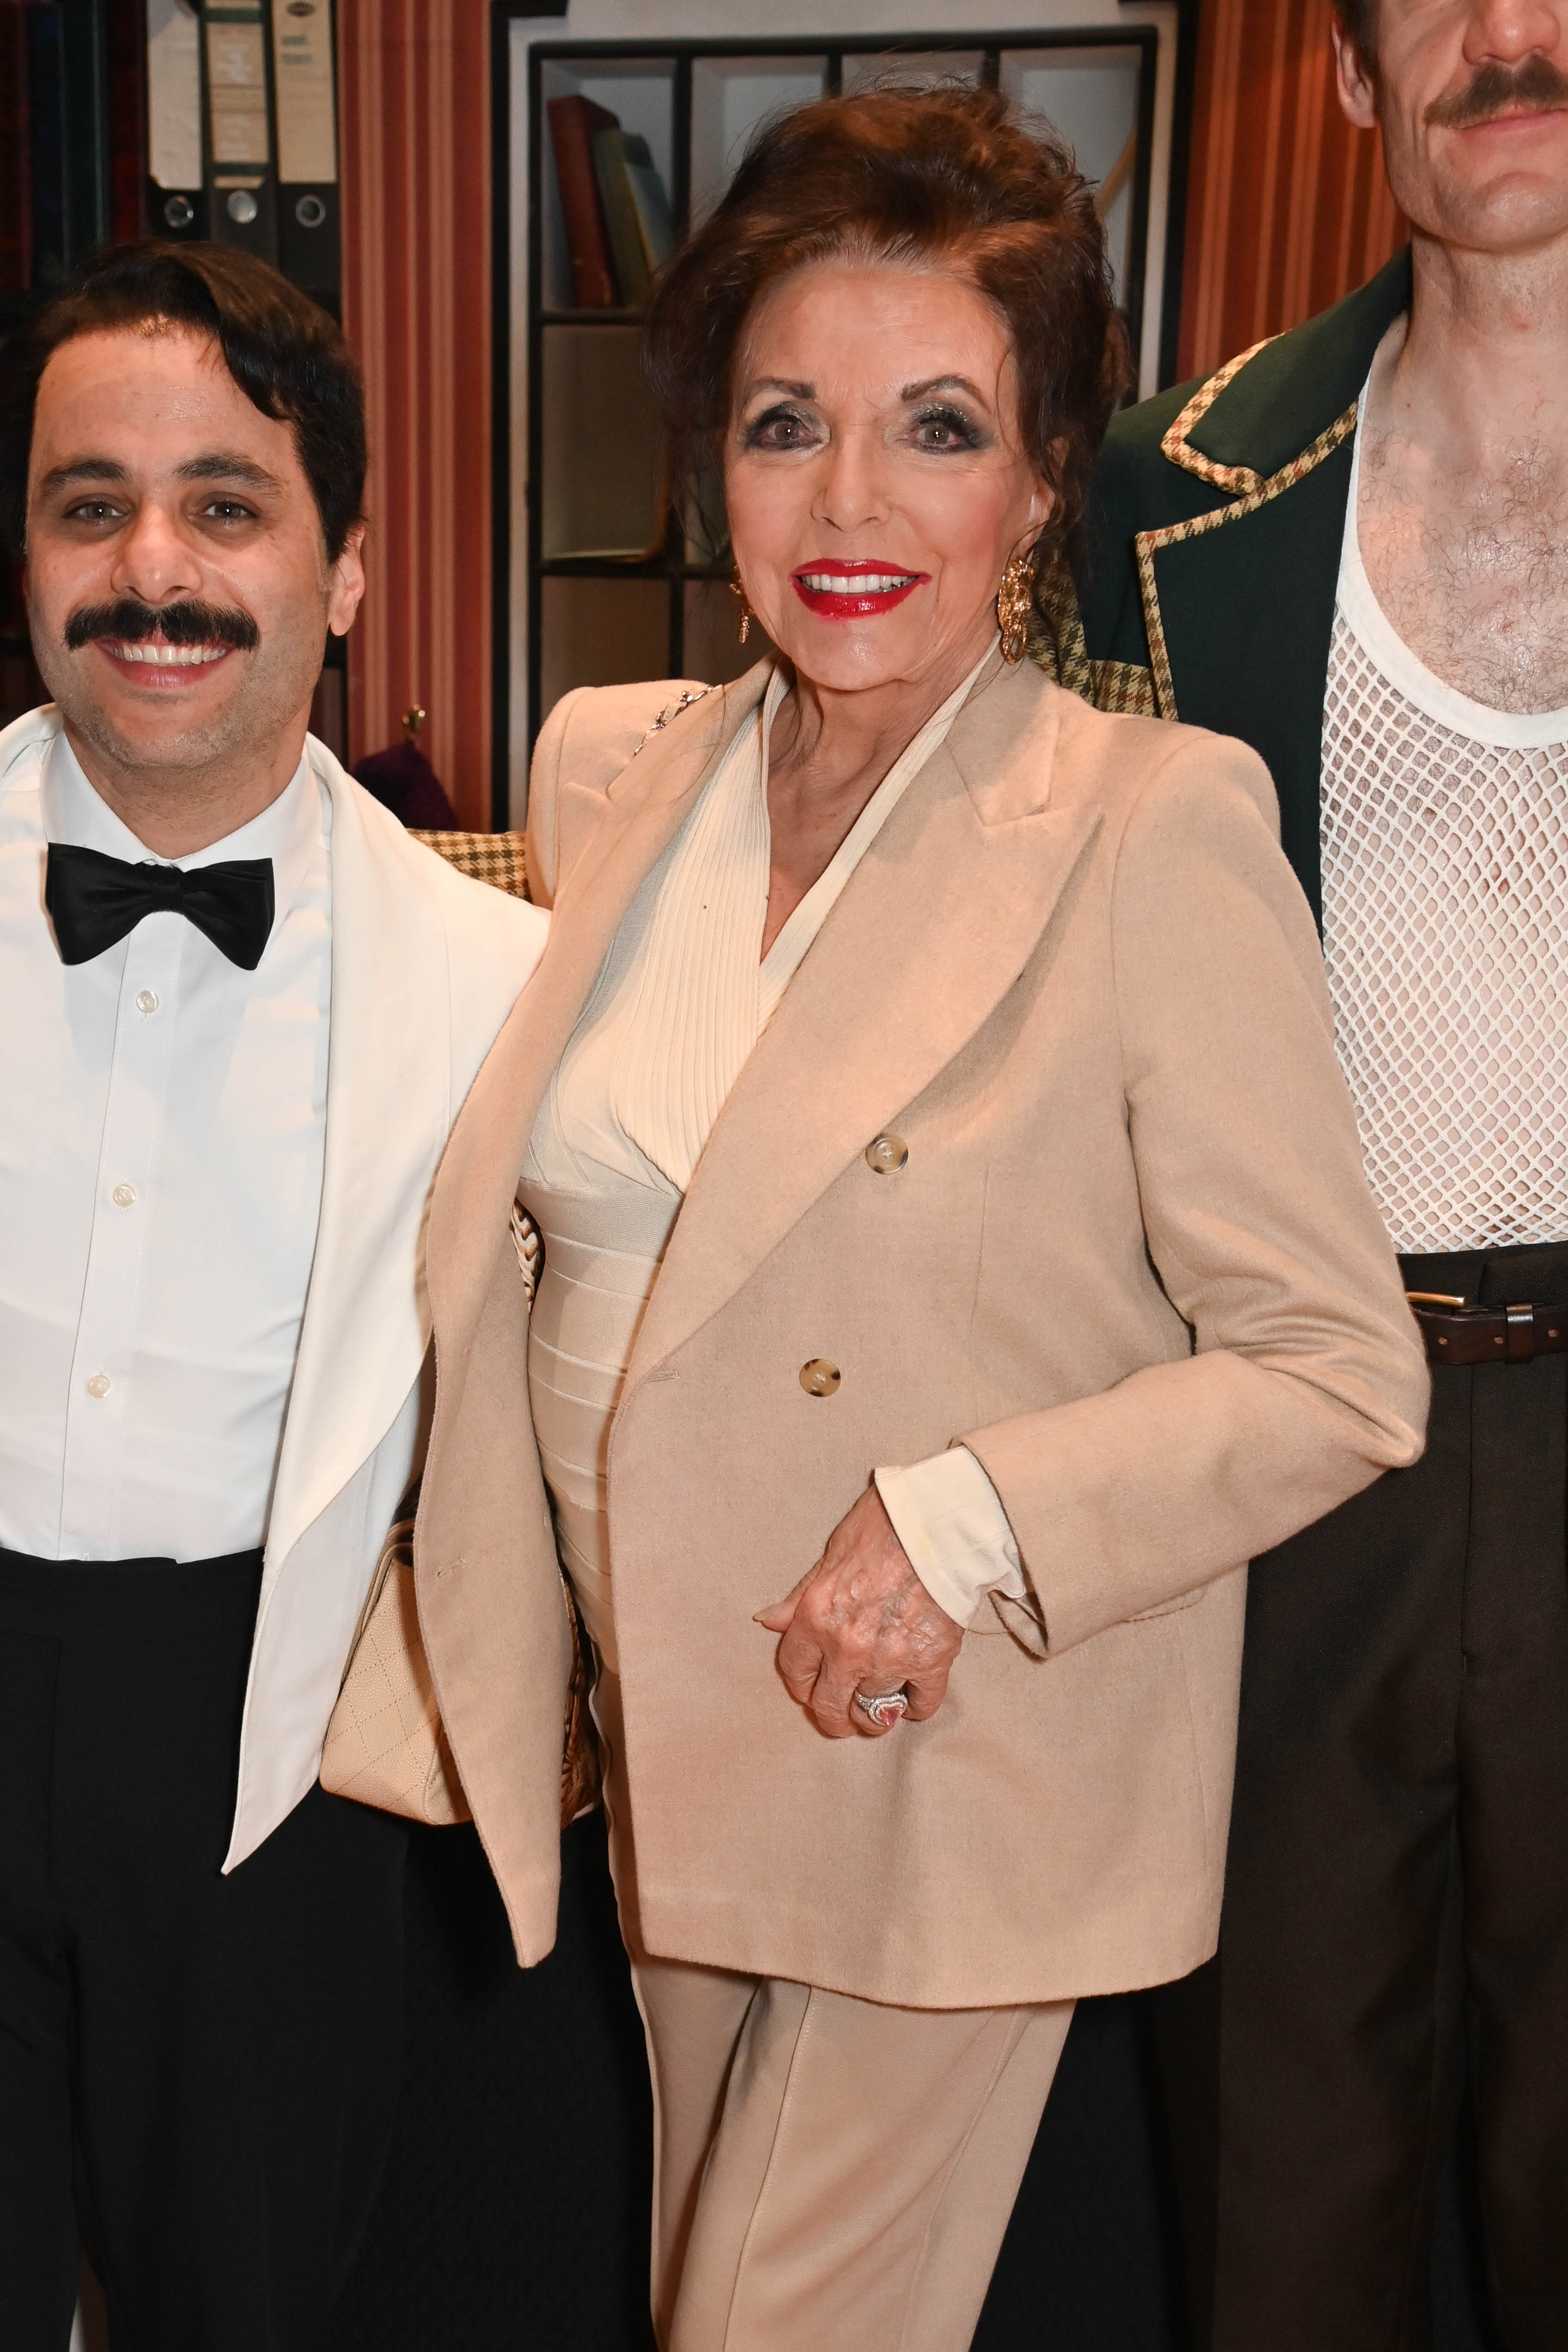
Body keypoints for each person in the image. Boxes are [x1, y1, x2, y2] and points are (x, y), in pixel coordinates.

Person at [404, 87, 1427, 2352]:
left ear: (1047, 474)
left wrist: (961, 1518)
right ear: (708, 455)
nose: (851, 503)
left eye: (936, 427)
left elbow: (1339, 1364)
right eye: (785, 422)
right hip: (657, 1735)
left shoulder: (1149, 829)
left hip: (927, 1745)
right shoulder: (613, 774)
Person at [1048, 3, 1568, 2345]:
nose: (1515, 32)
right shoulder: (1167, 494)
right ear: (1353, 82)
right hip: (1291, 1432)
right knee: (1280, 2197)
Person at [0, 242, 547, 2351]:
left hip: (274, 1731)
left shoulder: (500, 979)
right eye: (89, 501)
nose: (154, 566)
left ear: (341, 565)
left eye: (225, 503)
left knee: (248, 2305)